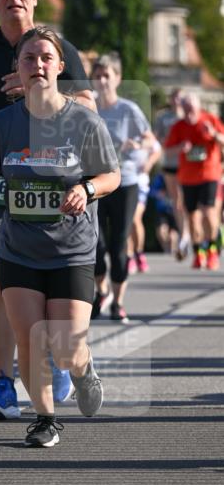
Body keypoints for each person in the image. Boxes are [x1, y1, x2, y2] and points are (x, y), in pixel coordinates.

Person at [0, 26, 120, 447]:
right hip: (20, 250)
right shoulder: (2, 123)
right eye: (28, 58)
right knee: (30, 338)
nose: (37, 65)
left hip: (71, 250)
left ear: (59, 66)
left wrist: (86, 189)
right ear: (17, 67)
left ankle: (83, 369)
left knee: (67, 347)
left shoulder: (83, 121)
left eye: (45, 58)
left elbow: (111, 175)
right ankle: (45, 418)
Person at [0, 0, 95, 417]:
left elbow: (90, 107)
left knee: (48, 291)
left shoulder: (56, 47)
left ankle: (55, 361)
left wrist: (41, 90)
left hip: (51, 182)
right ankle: (2, 383)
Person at [90, 53, 155, 323]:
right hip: (95, 182)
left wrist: (138, 145)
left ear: (117, 78)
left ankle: (118, 301)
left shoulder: (128, 110)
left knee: (118, 245)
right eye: (98, 76)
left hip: (125, 181)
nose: (103, 81)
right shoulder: (87, 106)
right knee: (95, 245)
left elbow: (150, 139)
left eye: (108, 76)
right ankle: (101, 291)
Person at [164, 92, 224, 271]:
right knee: (192, 218)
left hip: (209, 174)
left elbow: (223, 140)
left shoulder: (210, 119)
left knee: (208, 213)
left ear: (198, 106)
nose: (189, 109)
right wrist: (181, 148)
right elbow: (167, 151)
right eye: (186, 106)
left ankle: (212, 251)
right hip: (188, 178)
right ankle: (199, 253)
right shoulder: (178, 127)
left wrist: (213, 134)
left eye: (192, 105)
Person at [153, 88, 190, 260]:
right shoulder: (164, 118)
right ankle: (184, 234)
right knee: (177, 201)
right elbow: (156, 138)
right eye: (174, 97)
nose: (177, 101)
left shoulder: (188, 117)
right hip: (169, 163)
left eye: (180, 98)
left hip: (188, 164)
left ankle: (188, 233)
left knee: (186, 201)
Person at [127, 136, 162, 274]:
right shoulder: (115, 127)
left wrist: (149, 163)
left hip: (140, 183)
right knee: (126, 221)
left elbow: (157, 149)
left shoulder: (143, 132)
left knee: (135, 218)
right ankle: (129, 256)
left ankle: (139, 253)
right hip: (123, 183)